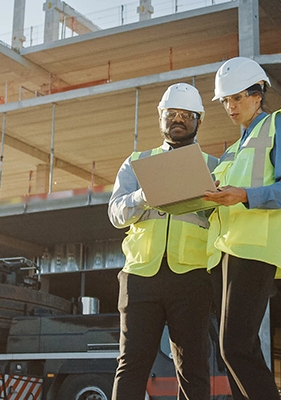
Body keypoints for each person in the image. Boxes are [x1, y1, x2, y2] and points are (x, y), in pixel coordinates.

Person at [108, 83, 221, 400]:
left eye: (186, 114)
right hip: (142, 276)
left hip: (193, 277)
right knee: (131, 366)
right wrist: (145, 195)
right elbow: (116, 214)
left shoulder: (215, 167)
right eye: (172, 113)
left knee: (194, 368)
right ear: (160, 117)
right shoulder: (136, 163)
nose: (178, 119)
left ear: (199, 120)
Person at [202, 56, 281, 400]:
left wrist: (242, 195)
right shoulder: (230, 151)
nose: (230, 106)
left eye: (237, 97)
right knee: (235, 351)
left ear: (258, 94)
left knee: (235, 347)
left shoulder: (278, 125)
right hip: (225, 252)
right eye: (225, 100)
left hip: (256, 247)